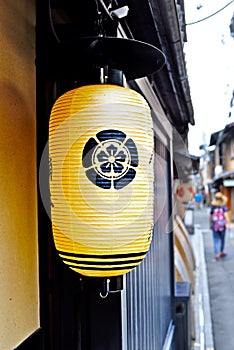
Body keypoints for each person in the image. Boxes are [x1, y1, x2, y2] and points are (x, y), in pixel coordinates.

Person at [210, 192, 230, 261]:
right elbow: (226, 215)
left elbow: (211, 216)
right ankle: (221, 251)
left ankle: (217, 254)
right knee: (222, 239)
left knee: (216, 239)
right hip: (222, 225)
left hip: (215, 225)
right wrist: (228, 223)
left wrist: (210, 224)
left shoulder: (213, 206)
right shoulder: (223, 206)